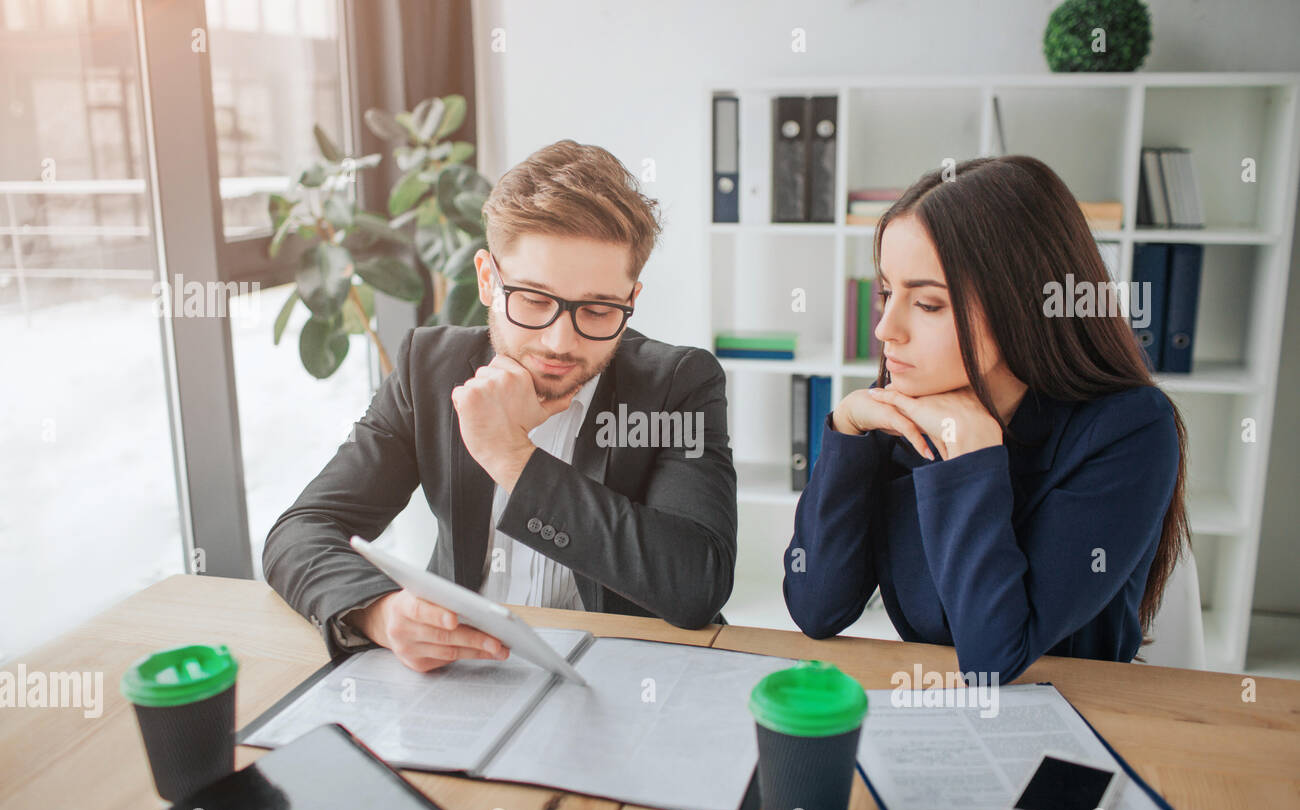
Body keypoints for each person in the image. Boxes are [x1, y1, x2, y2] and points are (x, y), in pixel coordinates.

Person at [264, 140, 736, 672]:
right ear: (488, 280)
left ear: (631, 300)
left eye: (599, 310)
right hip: (465, 674)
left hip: (627, 674)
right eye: (534, 300)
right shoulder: (429, 368)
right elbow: (302, 530)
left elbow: (696, 584)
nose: (561, 341)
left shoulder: (677, 385)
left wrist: (513, 458)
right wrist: (379, 611)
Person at [783, 155, 1189, 684]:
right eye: (887, 292)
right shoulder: (906, 404)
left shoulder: (1129, 430)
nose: (886, 330)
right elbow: (816, 610)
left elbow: (994, 658)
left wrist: (972, 459)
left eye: (928, 303)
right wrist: (847, 436)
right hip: (937, 708)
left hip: (1078, 713)